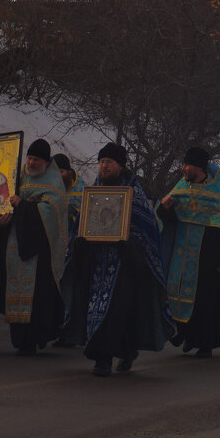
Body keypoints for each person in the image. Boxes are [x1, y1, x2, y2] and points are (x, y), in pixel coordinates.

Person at [60, 143, 174, 376]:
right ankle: (101, 359)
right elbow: (82, 226)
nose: (104, 166)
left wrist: (130, 244)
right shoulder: (93, 192)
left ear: (120, 166)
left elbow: (148, 230)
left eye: (109, 163)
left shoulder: (135, 195)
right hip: (96, 262)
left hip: (125, 266)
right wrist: (79, 243)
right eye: (101, 162)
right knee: (95, 309)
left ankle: (125, 353)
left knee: (121, 313)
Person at [158, 147, 220, 358]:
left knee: (205, 300)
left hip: (207, 257)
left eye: (187, 166)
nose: (184, 169)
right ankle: (184, 334)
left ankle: (205, 343)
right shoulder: (182, 187)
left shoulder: (217, 193)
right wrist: (165, 208)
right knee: (176, 293)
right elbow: (169, 220)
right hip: (181, 253)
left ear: (199, 167)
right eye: (183, 165)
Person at [0, 139, 68, 355]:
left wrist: (22, 206)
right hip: (16, 244)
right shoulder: (19, 177)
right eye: (29, 158)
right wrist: (3, 216)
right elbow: (5, 200)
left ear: (46, 162)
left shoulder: (54, 182)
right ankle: (19, 339)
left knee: (38, 297)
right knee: (16, 290)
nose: (31, 162)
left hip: (40, 250)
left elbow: (52, 212)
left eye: (36, 159)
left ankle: (34, 338)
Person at [53, 153, 85, 239]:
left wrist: (73, 211)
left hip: (74, 236)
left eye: (61, 172)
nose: (58, 176)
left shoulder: (82, 189)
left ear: (69, 172)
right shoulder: (48, 186)